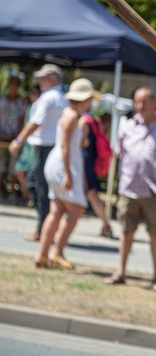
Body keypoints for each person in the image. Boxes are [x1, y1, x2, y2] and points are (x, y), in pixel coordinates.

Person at [104, 87, 156, 292]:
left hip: (155, 192)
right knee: (126, 232)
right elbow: (120, 154)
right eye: (137, 102)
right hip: (130, 189)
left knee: (155, 235)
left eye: (144, 102)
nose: (140, 106)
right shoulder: (127, 126)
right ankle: (120, 272)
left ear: (154, 102)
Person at [35, 78, 101, 269]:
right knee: (77, 208)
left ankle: (42, 254)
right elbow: (64, 145)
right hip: (63, 165)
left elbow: (72, 143)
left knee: (56, 210)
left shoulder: (72, 116)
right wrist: (68, 175)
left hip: (61, 164)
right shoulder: (71, 116)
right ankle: (57, 252)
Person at [10, 64, 67, 242]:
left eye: (43, 78)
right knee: (38, 187)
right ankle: (47, 227)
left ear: (53, 79)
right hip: (50, 147)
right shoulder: (60, 96)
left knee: (39, 189)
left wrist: (18, 140)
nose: (39, 81)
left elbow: (35, 122)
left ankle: (44, 230)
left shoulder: (50, 97)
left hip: (46, 148)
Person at [82, 112, 114, 238]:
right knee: (92, 195)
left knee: (91, 195)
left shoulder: (86, 122)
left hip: (84, 165)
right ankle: (106, 224)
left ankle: (106, 225)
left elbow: (82, 143)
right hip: (90, 166)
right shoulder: (95, 126)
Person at [0, 71, 28, 198]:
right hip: (1, 136)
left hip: (14, 137)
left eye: (16, 84)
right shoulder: (1, 100)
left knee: (13, 167)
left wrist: (18, 137)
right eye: (12, 84)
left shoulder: (21, 102)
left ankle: (12, 191)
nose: (13, 87)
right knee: (0, 165)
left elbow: (22, 121)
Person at [13, 86, 41, 205]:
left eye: (35, 93)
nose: (32, 95)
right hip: (27, 145)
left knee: (34, 174)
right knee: (19, 170)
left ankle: (33, 197)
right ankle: (27, 194)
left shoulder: (41, 107)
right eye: (31, 93)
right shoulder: (30, 107)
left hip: (37, 145)